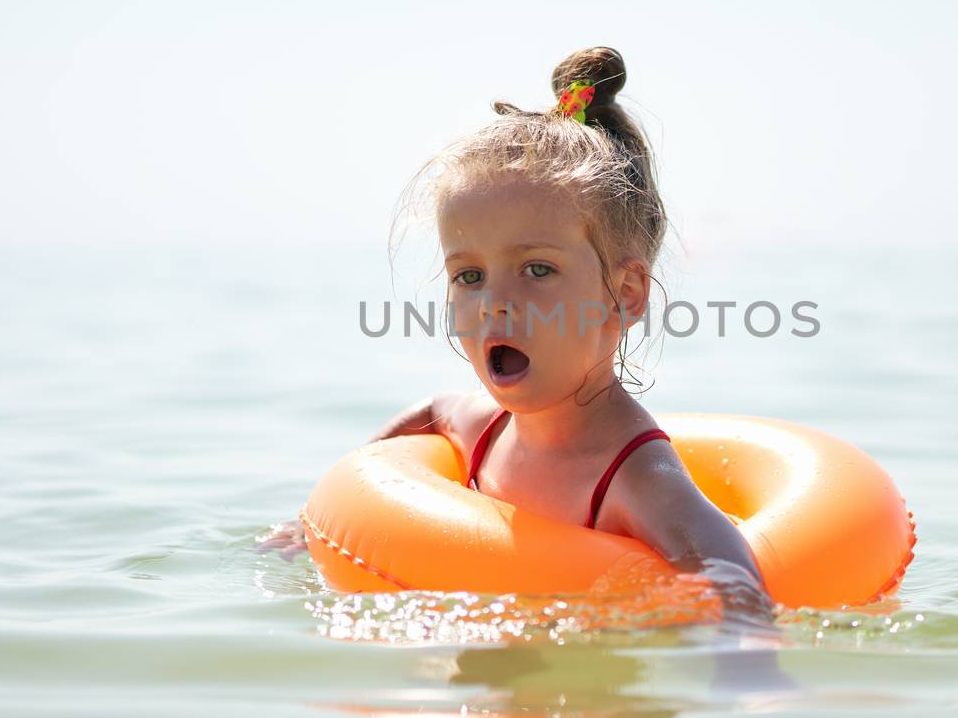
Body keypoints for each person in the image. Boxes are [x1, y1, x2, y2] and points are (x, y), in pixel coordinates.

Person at [265, 46, 777, 631]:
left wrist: (744, 665)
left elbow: (728, 571)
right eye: (469, 276)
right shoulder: (485, 428)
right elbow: (431, 411)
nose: (494, 302)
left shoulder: (634, 475)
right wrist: (317, 520)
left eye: (537, 269)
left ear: (626, 292)